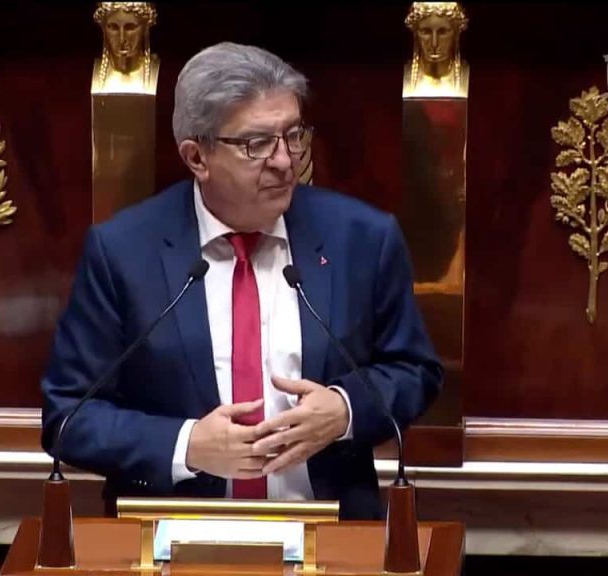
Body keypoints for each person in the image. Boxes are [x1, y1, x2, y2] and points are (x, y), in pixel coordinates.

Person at [41, 42, 443, 520]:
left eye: (293, 135)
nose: (285, 161)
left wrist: (345, 410)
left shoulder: (362, 239)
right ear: (197, 157)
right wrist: (187, 444)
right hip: (171, 535)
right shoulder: (123, 252)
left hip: (331, 532)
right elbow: (69, 416)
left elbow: (415, 371)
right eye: (257, 144)